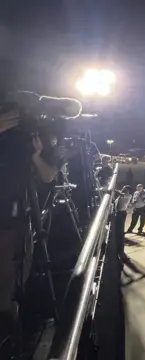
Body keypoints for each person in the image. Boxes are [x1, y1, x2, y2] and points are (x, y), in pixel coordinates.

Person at [0, 104, 65, 344]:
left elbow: (48, 175)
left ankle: (9, 320)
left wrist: (35, 156)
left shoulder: (35, 138)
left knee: (14, 270)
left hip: (14, 219)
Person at [114, 186, 133, 261]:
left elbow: (120, 193)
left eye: (125, 188)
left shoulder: (128, 196)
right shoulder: (120, 196)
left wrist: (113, 189)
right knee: (117, 231)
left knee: (120, 231)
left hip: (121, 213)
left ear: (128, 190)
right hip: (118, 213)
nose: (123, 188)